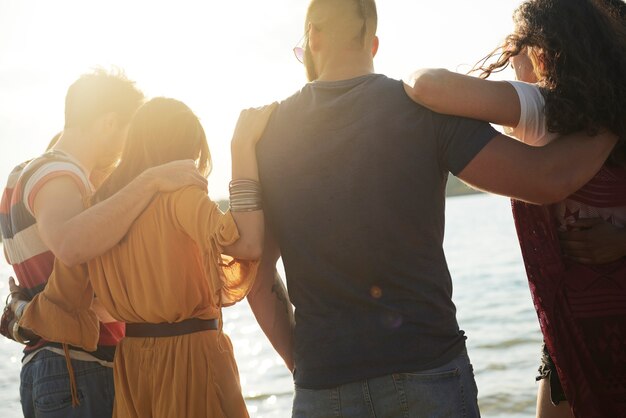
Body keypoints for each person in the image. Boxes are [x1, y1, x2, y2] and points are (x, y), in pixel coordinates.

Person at [252, 0, 619, 416]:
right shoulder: (425, 112)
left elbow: (255, 277)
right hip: (428, 371)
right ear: (372, 43)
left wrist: (304, 365)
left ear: (313, 37)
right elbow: (545, 178)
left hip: (322, 383)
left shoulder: (266, 137)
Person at [404, 0, 626, 416]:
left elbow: (426, 86)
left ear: (542, 52)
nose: (511, 60)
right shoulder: (607, 112)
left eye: (516, 47)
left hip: (578, 334)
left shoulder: (546, 109)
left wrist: (409, 74)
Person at [18, 97, 275, 417]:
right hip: (191, 361)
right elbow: (247, 244)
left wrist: (19, 312)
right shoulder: (180, 196)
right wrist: (242, 147)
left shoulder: (101, 211)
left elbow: (65, 302)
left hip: (134, 367)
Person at [0, 69, 207, 418]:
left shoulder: (21, 177)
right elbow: (70, 244)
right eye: (128, 134)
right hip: (78, 371)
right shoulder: (58, 174)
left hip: (52, 369)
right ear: (110, 123)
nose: (128, 149)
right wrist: (150, 181)